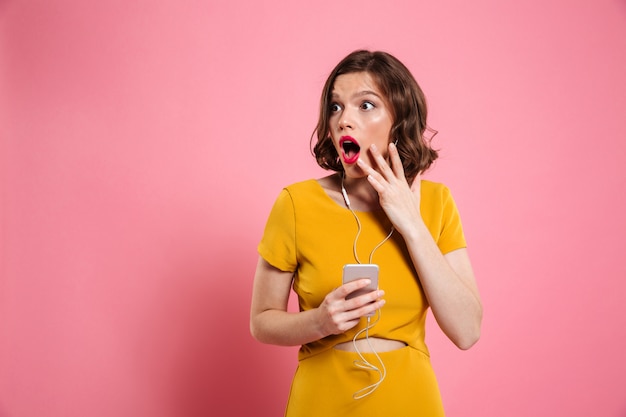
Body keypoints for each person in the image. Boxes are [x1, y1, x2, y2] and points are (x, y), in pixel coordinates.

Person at [250, 50, 482, 416]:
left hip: (410, 401)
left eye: (366, 105)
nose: (345, 120)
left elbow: (466, 331)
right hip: (321, 400)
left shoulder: (436, 202)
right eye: (336, 107)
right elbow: (262, 321)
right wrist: (319, 322)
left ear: (399, 120)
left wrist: (412, 224)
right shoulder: (296, 203)